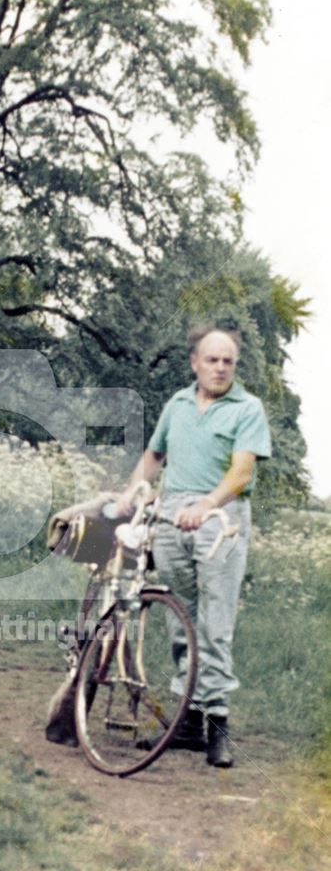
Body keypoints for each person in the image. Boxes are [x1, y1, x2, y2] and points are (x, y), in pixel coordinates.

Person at [116, 325, 271, 768]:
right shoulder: (178, 404)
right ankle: (186, 722)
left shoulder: (248, 408)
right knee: (179, 621)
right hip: (171, 518)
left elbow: (241, 473)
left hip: (220, 518)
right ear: (195, 363)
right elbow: (154, 456)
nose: (221, 368)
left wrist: (206, 506)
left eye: (228, 361)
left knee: (214, 623)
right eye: (213, 359)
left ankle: (217, 724)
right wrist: (130, 495)